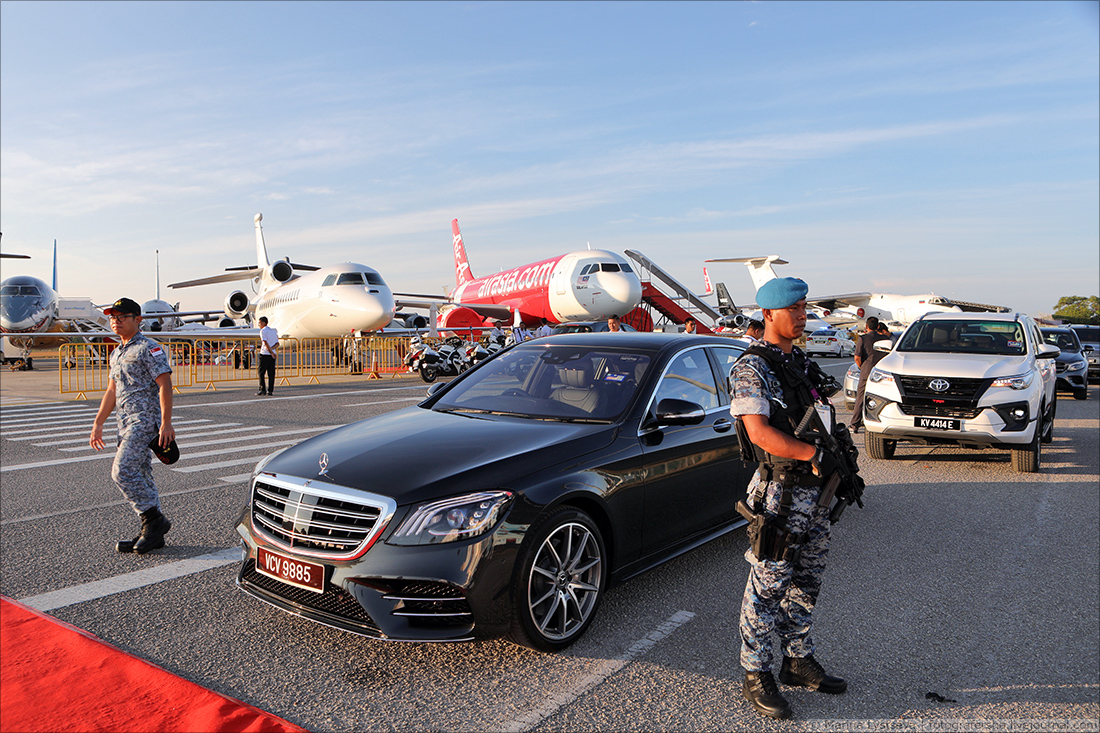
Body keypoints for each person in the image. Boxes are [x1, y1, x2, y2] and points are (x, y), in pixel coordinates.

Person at [729, 277, 847, 720]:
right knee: (767, 585)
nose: (802, 316)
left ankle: (797, 659)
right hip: (781, 493)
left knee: (807, 580)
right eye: (793, 309)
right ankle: (755, 671)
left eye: (804, 307)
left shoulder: (797, 361)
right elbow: (759, 432)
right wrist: (812, 454)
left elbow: (823, 413)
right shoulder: (751, 368)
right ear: (768, 315)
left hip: (815, 495)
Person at [89, 298, 175, 555]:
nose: (116, 321)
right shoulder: (116, 352)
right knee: (142, 473)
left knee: (122, 471)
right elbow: (112, 391)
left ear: (138, 320)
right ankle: (152, 532)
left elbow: (165, 384)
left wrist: (166, 423)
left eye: (122, 317)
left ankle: (154, 520)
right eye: (113, 317)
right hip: (124, 423)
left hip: (144, 421)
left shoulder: (149, 348)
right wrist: (98, 422)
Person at [849, 317, 891, 433]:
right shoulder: (885, 339)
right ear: (878, 326)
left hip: (867, 370)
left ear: (866, 326)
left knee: (861, 398)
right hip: (882, 371)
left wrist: (862, 367)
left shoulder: (863, 338)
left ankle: (855, 424)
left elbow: (857, 357)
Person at [257, 316, 279, 395]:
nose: (258, 324)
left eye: (259, 323)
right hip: (272, 355)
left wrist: (270, 351)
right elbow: (277, 344)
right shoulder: (273, 331)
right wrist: (272, 350)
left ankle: (262, 389)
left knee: (261, 372)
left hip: (265, 354)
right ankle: (270, 390)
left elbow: (265, 342)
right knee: (271, 373)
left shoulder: (263, 331)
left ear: (263, 323)